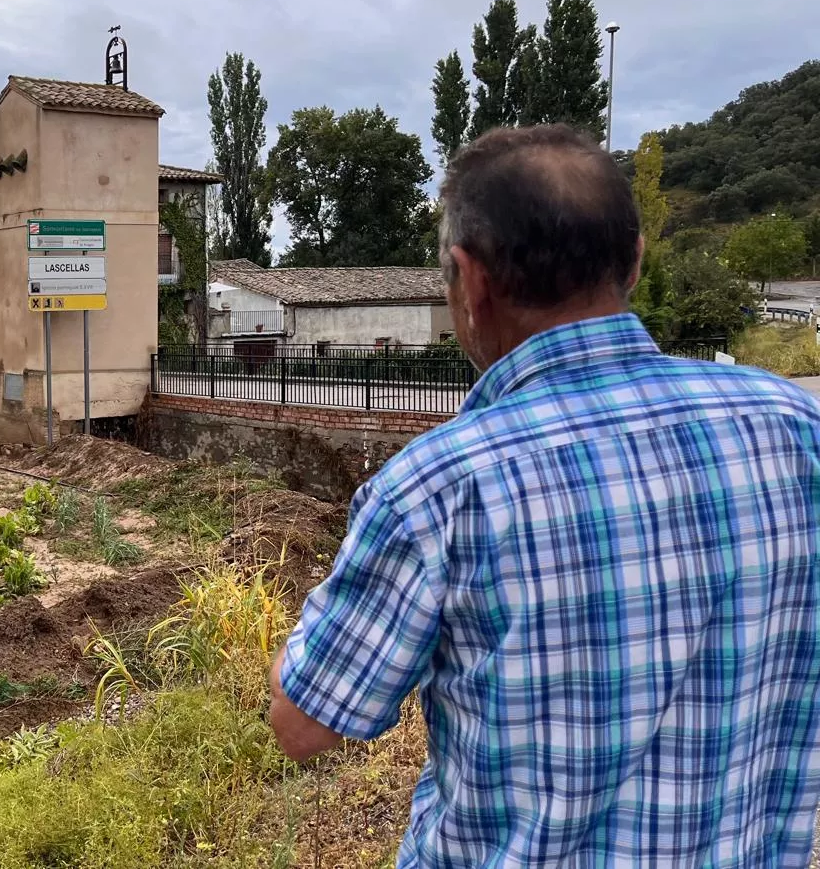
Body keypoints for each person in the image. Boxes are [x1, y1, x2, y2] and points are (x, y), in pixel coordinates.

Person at [268, 123, 820, 865]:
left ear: (471, 280)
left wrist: (296, 649)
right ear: (634, 259)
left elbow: (303, 726)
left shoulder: (438, 490)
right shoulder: (795, 426)